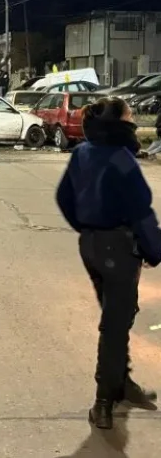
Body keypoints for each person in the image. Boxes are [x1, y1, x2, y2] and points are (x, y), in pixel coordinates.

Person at [56, 96, 161, 430]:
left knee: (119, 315)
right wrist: (154, 251)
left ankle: (122, 383)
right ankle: (104, 401)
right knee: (115, 325)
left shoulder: (82, 153)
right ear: (118, 121)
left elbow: (64, 196)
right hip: (118, 249)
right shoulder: (121, 159)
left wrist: (86, 228)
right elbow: (141, 212)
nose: (132, 118)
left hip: (91, 247)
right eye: (129, 114)